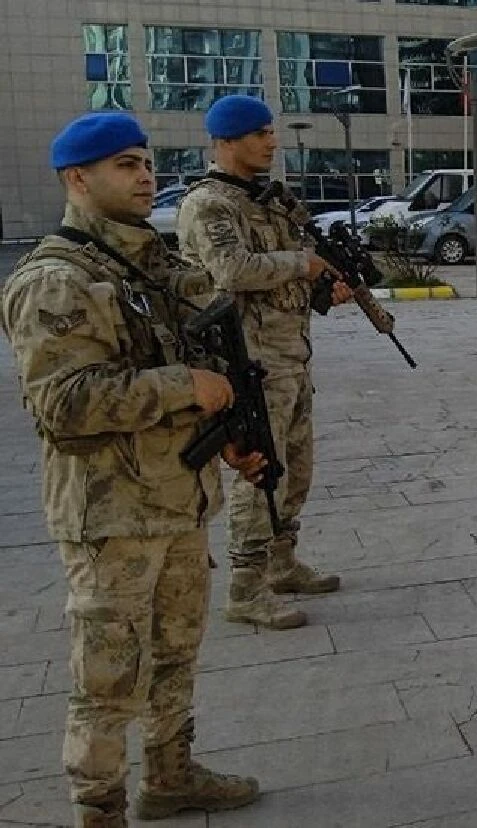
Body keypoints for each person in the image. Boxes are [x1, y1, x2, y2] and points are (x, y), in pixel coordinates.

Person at [0, 112, 262, 827]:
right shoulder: (56, 280)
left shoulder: (150, 265)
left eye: (146, 162)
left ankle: (171, 776)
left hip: (178, 497)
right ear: (76, 178)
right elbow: (63, 402)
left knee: (177, 652)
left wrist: (224, 434)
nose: (145, 175)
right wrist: (183, 387)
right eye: (124, 164)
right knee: (109, 679)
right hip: (110, 516)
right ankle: (99, 811)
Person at [177, 95, 350, 631]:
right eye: (259, 133)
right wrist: (302, 263)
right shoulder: (209, 204)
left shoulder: (267, 200)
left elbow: (286, 273)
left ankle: (281, 563)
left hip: (289, 356)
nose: (271, 141)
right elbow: (230, 270)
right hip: (247, 362)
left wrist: (322, 283)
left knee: (296, 469)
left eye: (272, 132)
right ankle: (245, 590)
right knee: (261, 475)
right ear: (226, 141)